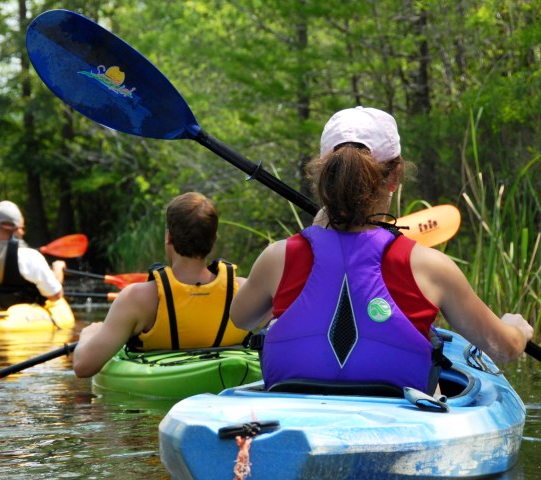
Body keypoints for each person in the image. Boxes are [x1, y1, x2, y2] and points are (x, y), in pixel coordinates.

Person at [230, 106, 534, 395]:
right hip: (401, 418)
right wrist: (516, 328)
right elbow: (504, 348)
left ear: (322, 176)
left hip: (292, 415)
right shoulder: (432, 267)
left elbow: (241, 319)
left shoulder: (277, 257)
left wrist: (315, 240)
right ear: (394, 176)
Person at [73, 192, 250, 378]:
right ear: (213, 240)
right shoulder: (244, 290)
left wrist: (89, 333)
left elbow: (83, 367)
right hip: (229, 385)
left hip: (160, 390)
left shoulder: (137, 298)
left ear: (169, 238)